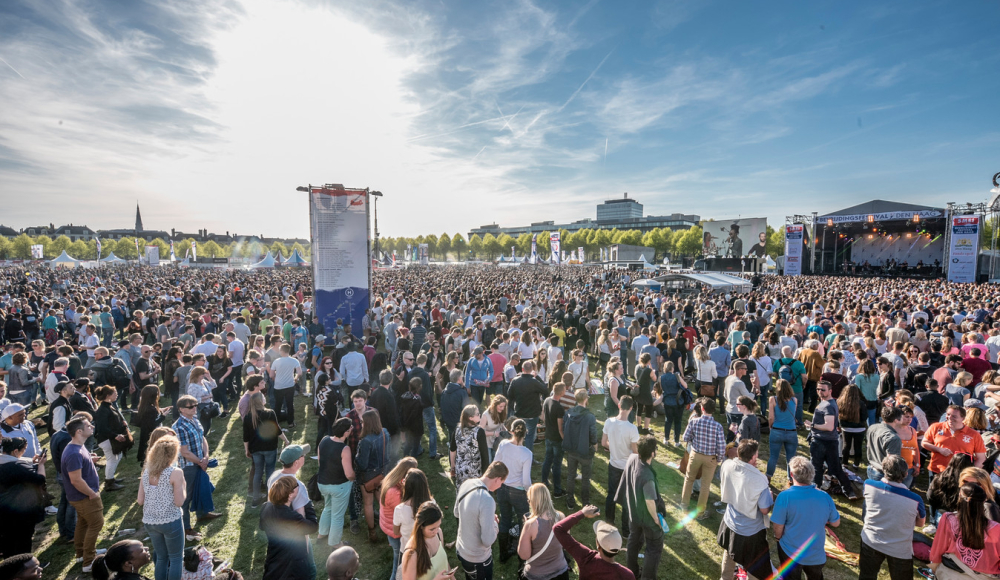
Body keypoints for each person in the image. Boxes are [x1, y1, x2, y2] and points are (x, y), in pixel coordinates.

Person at [770, 456, 841, 580]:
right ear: (812, 474)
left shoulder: (784, 497)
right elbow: (836, 523)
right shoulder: (824, 496)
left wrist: (777, 537)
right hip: (816, 554)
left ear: (791, 474)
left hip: (790, 552)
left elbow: (778, 526)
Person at [859, 455, 926, 580]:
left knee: (866, 576)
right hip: (899, 548)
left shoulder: (868, 485)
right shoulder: (916, 500)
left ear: (883, 469)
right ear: (906, 474)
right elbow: (921, 524)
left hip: (871, 540)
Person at [718, 439, 773, 580]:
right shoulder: (760, 480)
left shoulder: (727, 464)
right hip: (751, 531)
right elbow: (765, 510)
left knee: (729, 554)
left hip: (730, 521)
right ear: (754, 456)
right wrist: (770, 497)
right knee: (755, 567)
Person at [138, 436, 186, 580]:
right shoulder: (175, 472)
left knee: (161, 557)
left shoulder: (146, 472)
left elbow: (140, 500)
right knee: (176, 558)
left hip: (150, 521)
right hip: (170, 520)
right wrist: (184, 486)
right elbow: (179, 502)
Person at [615, 436, 663, 580]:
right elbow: (650, 501)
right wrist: (656, 519)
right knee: (654, 548)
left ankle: (631, 572)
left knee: (633, 540)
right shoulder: (647, 476)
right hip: (647, 517)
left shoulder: (632, 458)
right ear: (653, 453)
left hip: (633, 512)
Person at [61, 415, 106, 572]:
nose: (92, 427)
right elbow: (76, 480)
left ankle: (81, 554)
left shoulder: (77, 447)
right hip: (85, 496)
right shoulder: (74, 452)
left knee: (83, 523)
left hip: (80, 497)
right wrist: (92, 494)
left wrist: (89, 460)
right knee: (96, 523)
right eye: (89, 426)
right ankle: (89, 562)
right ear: (79, 431)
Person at [928, 483, 1000, 579]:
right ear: (984, 501)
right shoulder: (996, 528)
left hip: (950, 574)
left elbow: (938, 549)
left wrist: (934, 568)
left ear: (960, 497)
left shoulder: (949, 519)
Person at [173, 395, 219, 540]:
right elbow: (184, 451)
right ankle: (186, 528)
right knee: (186, 498)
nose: (195, 408)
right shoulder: (179, 426)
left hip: (200, 462)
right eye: (191, 406)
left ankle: (202, 514)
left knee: (201, 489)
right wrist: (200, 461)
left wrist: (206, 457)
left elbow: (202, 437)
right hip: (189, 467)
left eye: (195, 405)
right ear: (181, 409)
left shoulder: (195, 419)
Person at [806, 380, 858, 500]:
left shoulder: (828, 405)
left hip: (822, 441)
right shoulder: (828, 403)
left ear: (830, 390)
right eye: (818, 389)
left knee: (817, 468)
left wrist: (812, 425)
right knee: (835, 468)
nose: (820, 392)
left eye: (823, 390)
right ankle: (849, 492)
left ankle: (816, 492)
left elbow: (829, 427)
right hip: (829, 441)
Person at [259, 476, 319, 580]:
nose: (298, 487)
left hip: (274, 561)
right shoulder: (292, 518)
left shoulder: (266, 507)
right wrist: (308, 504)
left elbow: (262, 526)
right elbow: (313, 527)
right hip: (293, 566)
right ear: (290, 494)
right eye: (297, 486)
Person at [454, 461, 507, 580]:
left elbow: (456, 512)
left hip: (462, 550)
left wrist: (484, 518)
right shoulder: (487, 500)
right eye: (502, 483)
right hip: (477, 559)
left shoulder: (467, 483)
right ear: (497, 479)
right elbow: (487, 540)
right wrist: (494, 523)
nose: (500, 486)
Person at [553, 505, 634, 580]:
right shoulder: (627, 575)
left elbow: (558, 529)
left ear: (597, 544)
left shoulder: (586, 558)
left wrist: (582, 513)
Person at [0, 437, 46, 559]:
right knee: (23, 540)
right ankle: (24, 567)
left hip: (3, 512)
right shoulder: (16, 466)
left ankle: (10, 568)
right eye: (23, 450)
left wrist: (31, 461)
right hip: (20, 512)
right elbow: (39, 480)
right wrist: (41, 465)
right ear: (15, 451)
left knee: (8, 542)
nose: (24, 452)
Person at [680, 398, 726, 518]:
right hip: (710, 458)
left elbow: (685, 437)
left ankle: (684, 505)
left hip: (695, 454)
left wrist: (693, 440)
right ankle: (700, 512)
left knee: (689, 479)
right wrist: (719, 459)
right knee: (705, 485)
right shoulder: (718, 426)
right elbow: (721, 446)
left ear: (702, 408)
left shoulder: (694, 422)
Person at [243, 392, 288, 507]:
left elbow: (246, 436)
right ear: (261, 401)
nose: (265, 398)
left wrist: (246, 450)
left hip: (255, 449)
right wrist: (286, 441)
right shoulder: (269, 413)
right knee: (270, 472)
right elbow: (277, 430)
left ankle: (255, 498)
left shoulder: (248, 416)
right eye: (263, 397)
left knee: (258, 472)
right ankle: (270, 498)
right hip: (270, 448)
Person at [602, 395, 639, 538]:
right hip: (627, 467)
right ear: (631, 408)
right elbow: (635, 451)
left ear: (619, 406)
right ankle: (625, 531)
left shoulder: (608, 422)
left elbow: (604, 442)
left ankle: (609, 523)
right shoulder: (632, 428)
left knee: (611, 494)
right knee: (626, 499)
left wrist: (615, 448)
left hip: (613, 463)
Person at [923, 404, 987, 484]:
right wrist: (938, 449)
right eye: (948, 414)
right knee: (932, 495)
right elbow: (924, 443)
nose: (949, 418)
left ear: (963, 418)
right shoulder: (936, 427)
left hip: (960, 474)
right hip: (937, 470)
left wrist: (970, 473)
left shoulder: (974, 434)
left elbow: (981, 458)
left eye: (954, 416)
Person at [517, 483, 569, 580]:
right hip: (561, 571)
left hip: (536, 575)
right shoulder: (561, 517)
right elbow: (565, 543)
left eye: (529, 500)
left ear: (533, 502)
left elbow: (524, 555)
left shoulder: (531, 525)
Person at [317, 417, 355, 548]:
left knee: (327, 507)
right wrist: (354, 478)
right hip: (339, 487)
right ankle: (335, 543)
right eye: (350, 428)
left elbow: (319, 461)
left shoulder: (324, 440)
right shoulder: (345, 449)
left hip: (322, 483)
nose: (352, 430)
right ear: (346, 432)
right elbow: (349, 474)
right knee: (338, 515)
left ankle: (321, 534)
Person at [380, 458, 418, 580]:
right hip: (395, 533)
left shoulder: (390, 480)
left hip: (388, 525)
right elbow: (404, 513)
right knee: (399, 562)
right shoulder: (395, 493)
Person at [356, 409, 391, 543]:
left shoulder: (366, 441)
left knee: (368, 504)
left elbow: (363, 464)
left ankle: (372, 532)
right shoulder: (385, 432)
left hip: (368, 476)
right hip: (382, 473)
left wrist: (356, 457)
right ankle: (388, 526)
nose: (361, 423)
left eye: (363, 421)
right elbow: (387, 455)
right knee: (382, 502)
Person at [563, 388, 598, 510]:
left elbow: (564, 428)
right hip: (585, 451)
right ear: (585, 399)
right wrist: (594, 444)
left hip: (571, 449)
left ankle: (570, 501)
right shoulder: (589, 416)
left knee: (571, 475)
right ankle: (585, 502)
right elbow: (593, 434)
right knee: (586, 478)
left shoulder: (568, 413)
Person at [401, 501, 454, 580]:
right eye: (432, 529)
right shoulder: (412, 553)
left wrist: (452, 577)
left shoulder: (439, 533)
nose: (436, 531)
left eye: (438, 526)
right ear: (421, 526)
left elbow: (444, 562)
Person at [395, 468, 436, 567]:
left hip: (408, 551)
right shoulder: (432, 504)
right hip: (428, 549)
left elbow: (396, 532)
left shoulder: (400, 510)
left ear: (407, 486)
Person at [92, 385, 129, 491]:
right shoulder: (103, 409)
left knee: (117, 456)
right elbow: (102, 428)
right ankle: (109, 483)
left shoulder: (108, 405)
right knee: (112, 460)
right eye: (115, 393)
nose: (117, 394)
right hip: (106, 440)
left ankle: (111, 477)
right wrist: (115, 436)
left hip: (110, 438)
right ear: (108, 395)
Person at [507, 360, 547, 452]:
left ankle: (517, 454)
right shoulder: (534, 382)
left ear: (522, 369)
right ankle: (529, 457)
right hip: (532, 414)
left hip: (519, 412)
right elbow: (545, 390)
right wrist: (538, 377)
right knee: (529, 437)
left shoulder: (515, 381)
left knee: (517, 435)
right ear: (532, 369)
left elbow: (509, 395)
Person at [450, 404, 489, 491]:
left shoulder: (457, 429)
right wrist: (485, 474)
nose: (480, 415)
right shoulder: (479, 431)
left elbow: (452, 450)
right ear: (470, 418)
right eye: (478, 414)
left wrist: (453, 466)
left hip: (460, 469)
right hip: (475, 471)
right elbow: (484, 455)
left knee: (462, 494)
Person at [766, 379, 798, 482]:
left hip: (777, 430)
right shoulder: (794, 400)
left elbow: (771, 417)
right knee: (791, 458)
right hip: (791, 431)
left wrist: (770, 426)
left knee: (773, 457)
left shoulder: (773, 399)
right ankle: (791, 479)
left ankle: (768, 477)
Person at [866, 406, 905, 482]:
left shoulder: (872, 427)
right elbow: (892, 463)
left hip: (871, 468)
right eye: (902, 417)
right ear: (896, 420)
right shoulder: (893, 438)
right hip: (882, 474)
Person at [541, 382, 566, 498]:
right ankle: (557, 490)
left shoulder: (546, 400)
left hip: (548, 436)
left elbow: (543, 417)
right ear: (561, 393)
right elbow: (560, 429)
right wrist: (565, 440)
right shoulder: (559, 408)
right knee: (556, 465)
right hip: (556, 439)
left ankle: (544, 482)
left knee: (547, 459)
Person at [135, 385, 170, 467]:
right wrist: (163, 416)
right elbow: (153, 424)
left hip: (146, 433)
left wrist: (161, 410)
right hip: (152, 434)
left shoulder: (145, 406)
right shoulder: (150, 409)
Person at [268, 344, 301, 427]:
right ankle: (291, 422)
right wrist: (295, 378)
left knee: (278, 405)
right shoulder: (294, 360)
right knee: (290, 404)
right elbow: (299, 372)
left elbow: (271, 375)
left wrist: (276, 378)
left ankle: (277, 422)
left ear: (281, 351)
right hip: (290, 385)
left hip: (278, 386)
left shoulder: (276, 361)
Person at [658, 361, 687, 446]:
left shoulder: (661, 378)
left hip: (667, 401)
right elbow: (685, 386)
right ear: (672, 368)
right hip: (678, 402)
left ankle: (666, 439)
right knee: (678, 421)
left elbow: (661, 389)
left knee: (668, 420)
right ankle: (677, 441)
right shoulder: (676, 376)